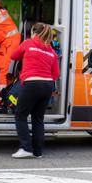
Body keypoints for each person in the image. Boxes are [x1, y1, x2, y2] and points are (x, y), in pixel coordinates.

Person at [8, 22, 60, 159]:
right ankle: (38, 152)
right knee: (38, 118)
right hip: (48, 85)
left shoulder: (28, 43)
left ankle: (26, 148)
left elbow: (13, 56)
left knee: (21, 115)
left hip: (32, 83)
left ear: (34, 33)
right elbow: (56, 74)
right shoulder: (52, 51)